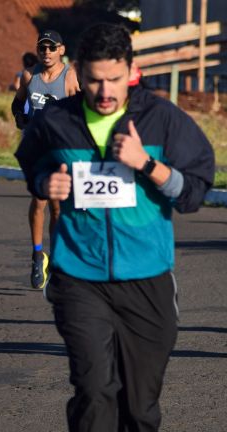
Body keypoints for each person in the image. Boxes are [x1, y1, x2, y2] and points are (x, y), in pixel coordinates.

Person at [15, 23, 215, 431]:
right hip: (79, 278)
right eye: (93, 80)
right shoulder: (57, 121)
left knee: (140, 409)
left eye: (114, 80)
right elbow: (30, 158)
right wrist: (43, 181)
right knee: (94, 392)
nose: (105, 92)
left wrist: (148, 165)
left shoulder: (162, 120)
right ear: (79, 72)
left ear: (131, 71)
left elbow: (194, 193)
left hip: (147, 280)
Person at [11, 29, 79, 290]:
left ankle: (57, 255)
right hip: (37, 148)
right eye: (43, 48)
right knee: (38, 200)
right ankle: (37, 255)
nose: (47, 52)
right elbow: (17, 104)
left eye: (52, 48)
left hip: (62, 149)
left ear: (61, 49)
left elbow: (81, 109)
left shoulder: (70, 77)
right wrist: (21, 117)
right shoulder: (30, 75)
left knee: (58, 207)